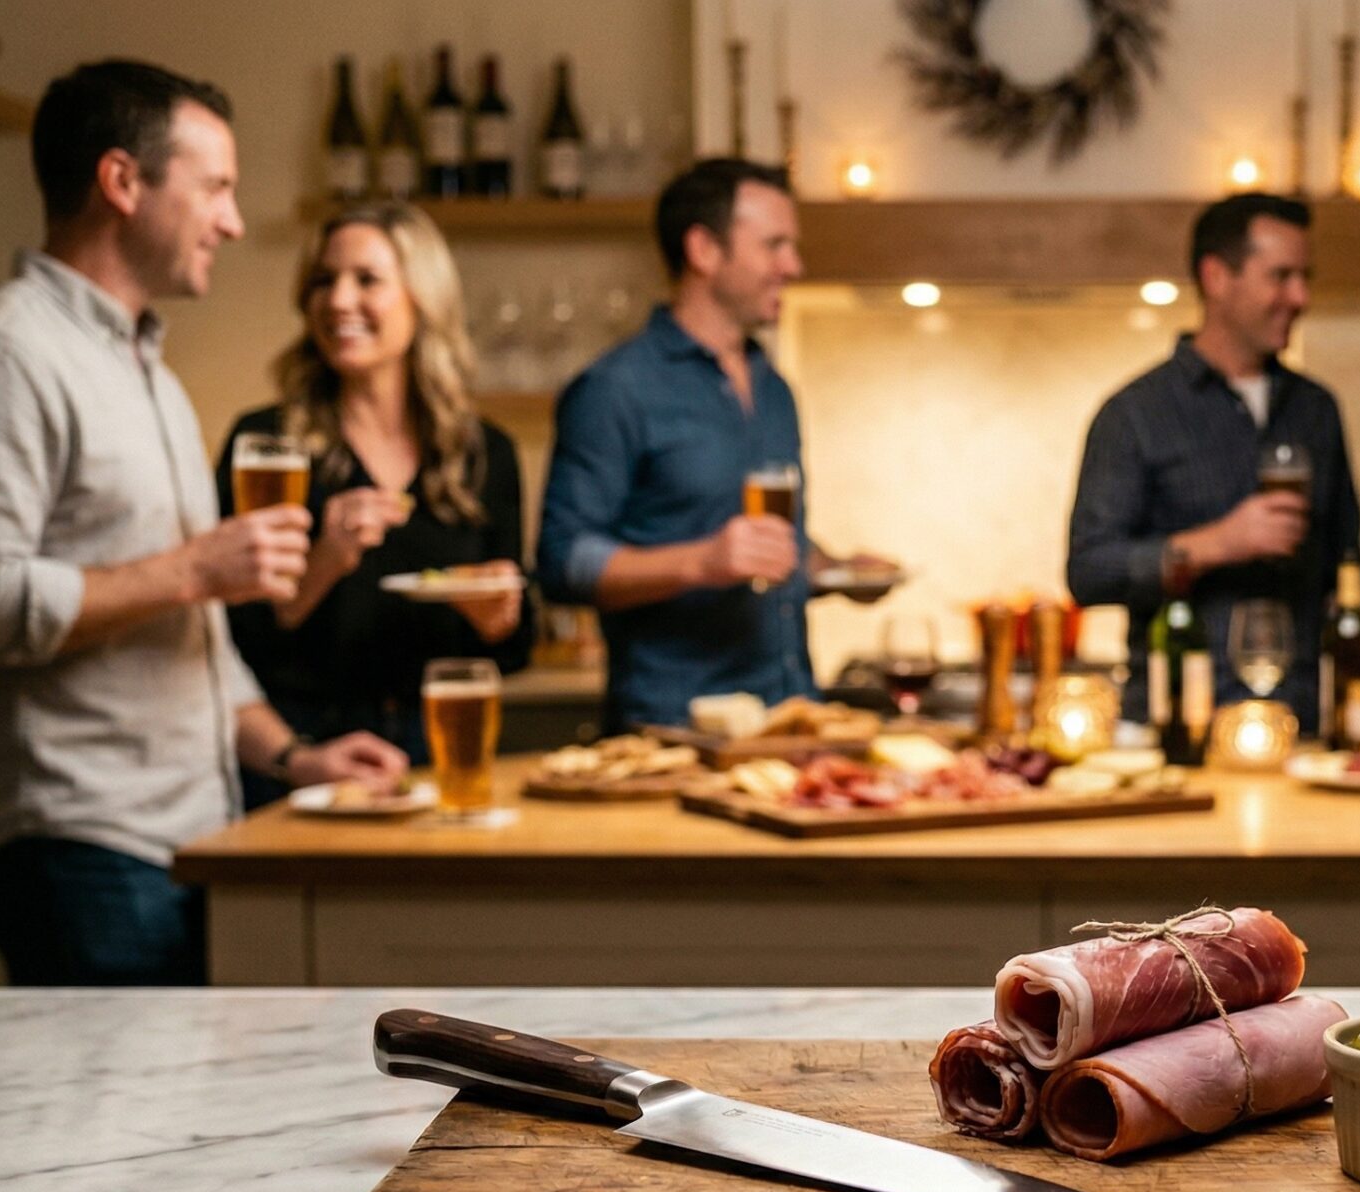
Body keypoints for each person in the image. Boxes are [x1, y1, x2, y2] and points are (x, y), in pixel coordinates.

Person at [0, 61, 405, 986]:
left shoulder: (149, 377)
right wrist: (193, 570)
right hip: (75, 843)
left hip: (182, 837)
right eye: (214, 187)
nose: (234, 220)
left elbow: (194, 638)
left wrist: (293, 755)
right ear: (122, 182)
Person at [537, 158, 888, 731]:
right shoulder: (614, 389)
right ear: (703, 250)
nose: (793, 266)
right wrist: (701, 562)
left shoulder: (774, 388)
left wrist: (831, 568)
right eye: (774, 246)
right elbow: (564, 562)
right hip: (673, 732)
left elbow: (764, 542)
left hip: (793, 717)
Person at [217, 202, 531, 804]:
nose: (338, 301)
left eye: (366, 280)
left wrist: (500, 617)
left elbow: (510, 649)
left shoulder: (483, 452)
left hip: (441, 748)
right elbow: (230, 638)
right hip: (301, 748)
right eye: (323, 281)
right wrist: (325, 559)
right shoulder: (267, 446)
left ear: (422, 298)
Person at [1067, 193, 1360, 730]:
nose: (1301, 296)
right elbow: (1088, 571)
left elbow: (1347, 561)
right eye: (1281, 276)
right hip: (1179, 724)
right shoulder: (1135, 413)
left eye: (1305, 277)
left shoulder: (1317, 409)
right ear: (1216, 278)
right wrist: (1215, 544)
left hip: (1303, 723)